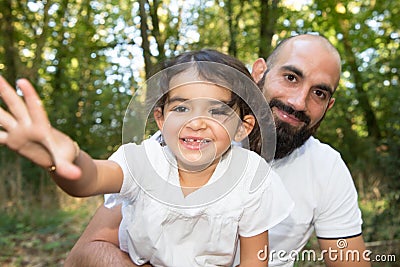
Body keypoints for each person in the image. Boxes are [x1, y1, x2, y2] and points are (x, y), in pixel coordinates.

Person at [63, 34, 371, 267]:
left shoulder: (326, 169)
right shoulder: (179, 144)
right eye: (290, 77)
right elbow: (84, 252)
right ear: (258, 73)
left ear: (328, 105)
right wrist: (63, 159)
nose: (298, 102)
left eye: (318, 93)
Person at [0, 50, 294, 266]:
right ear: (160, 118)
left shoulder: (250, 178)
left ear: (243, 127)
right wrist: (66, 159)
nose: (197, 122)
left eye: (216, 111)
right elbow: (89, 179)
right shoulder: (144, 161)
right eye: (181, 108)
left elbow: (256, 260)